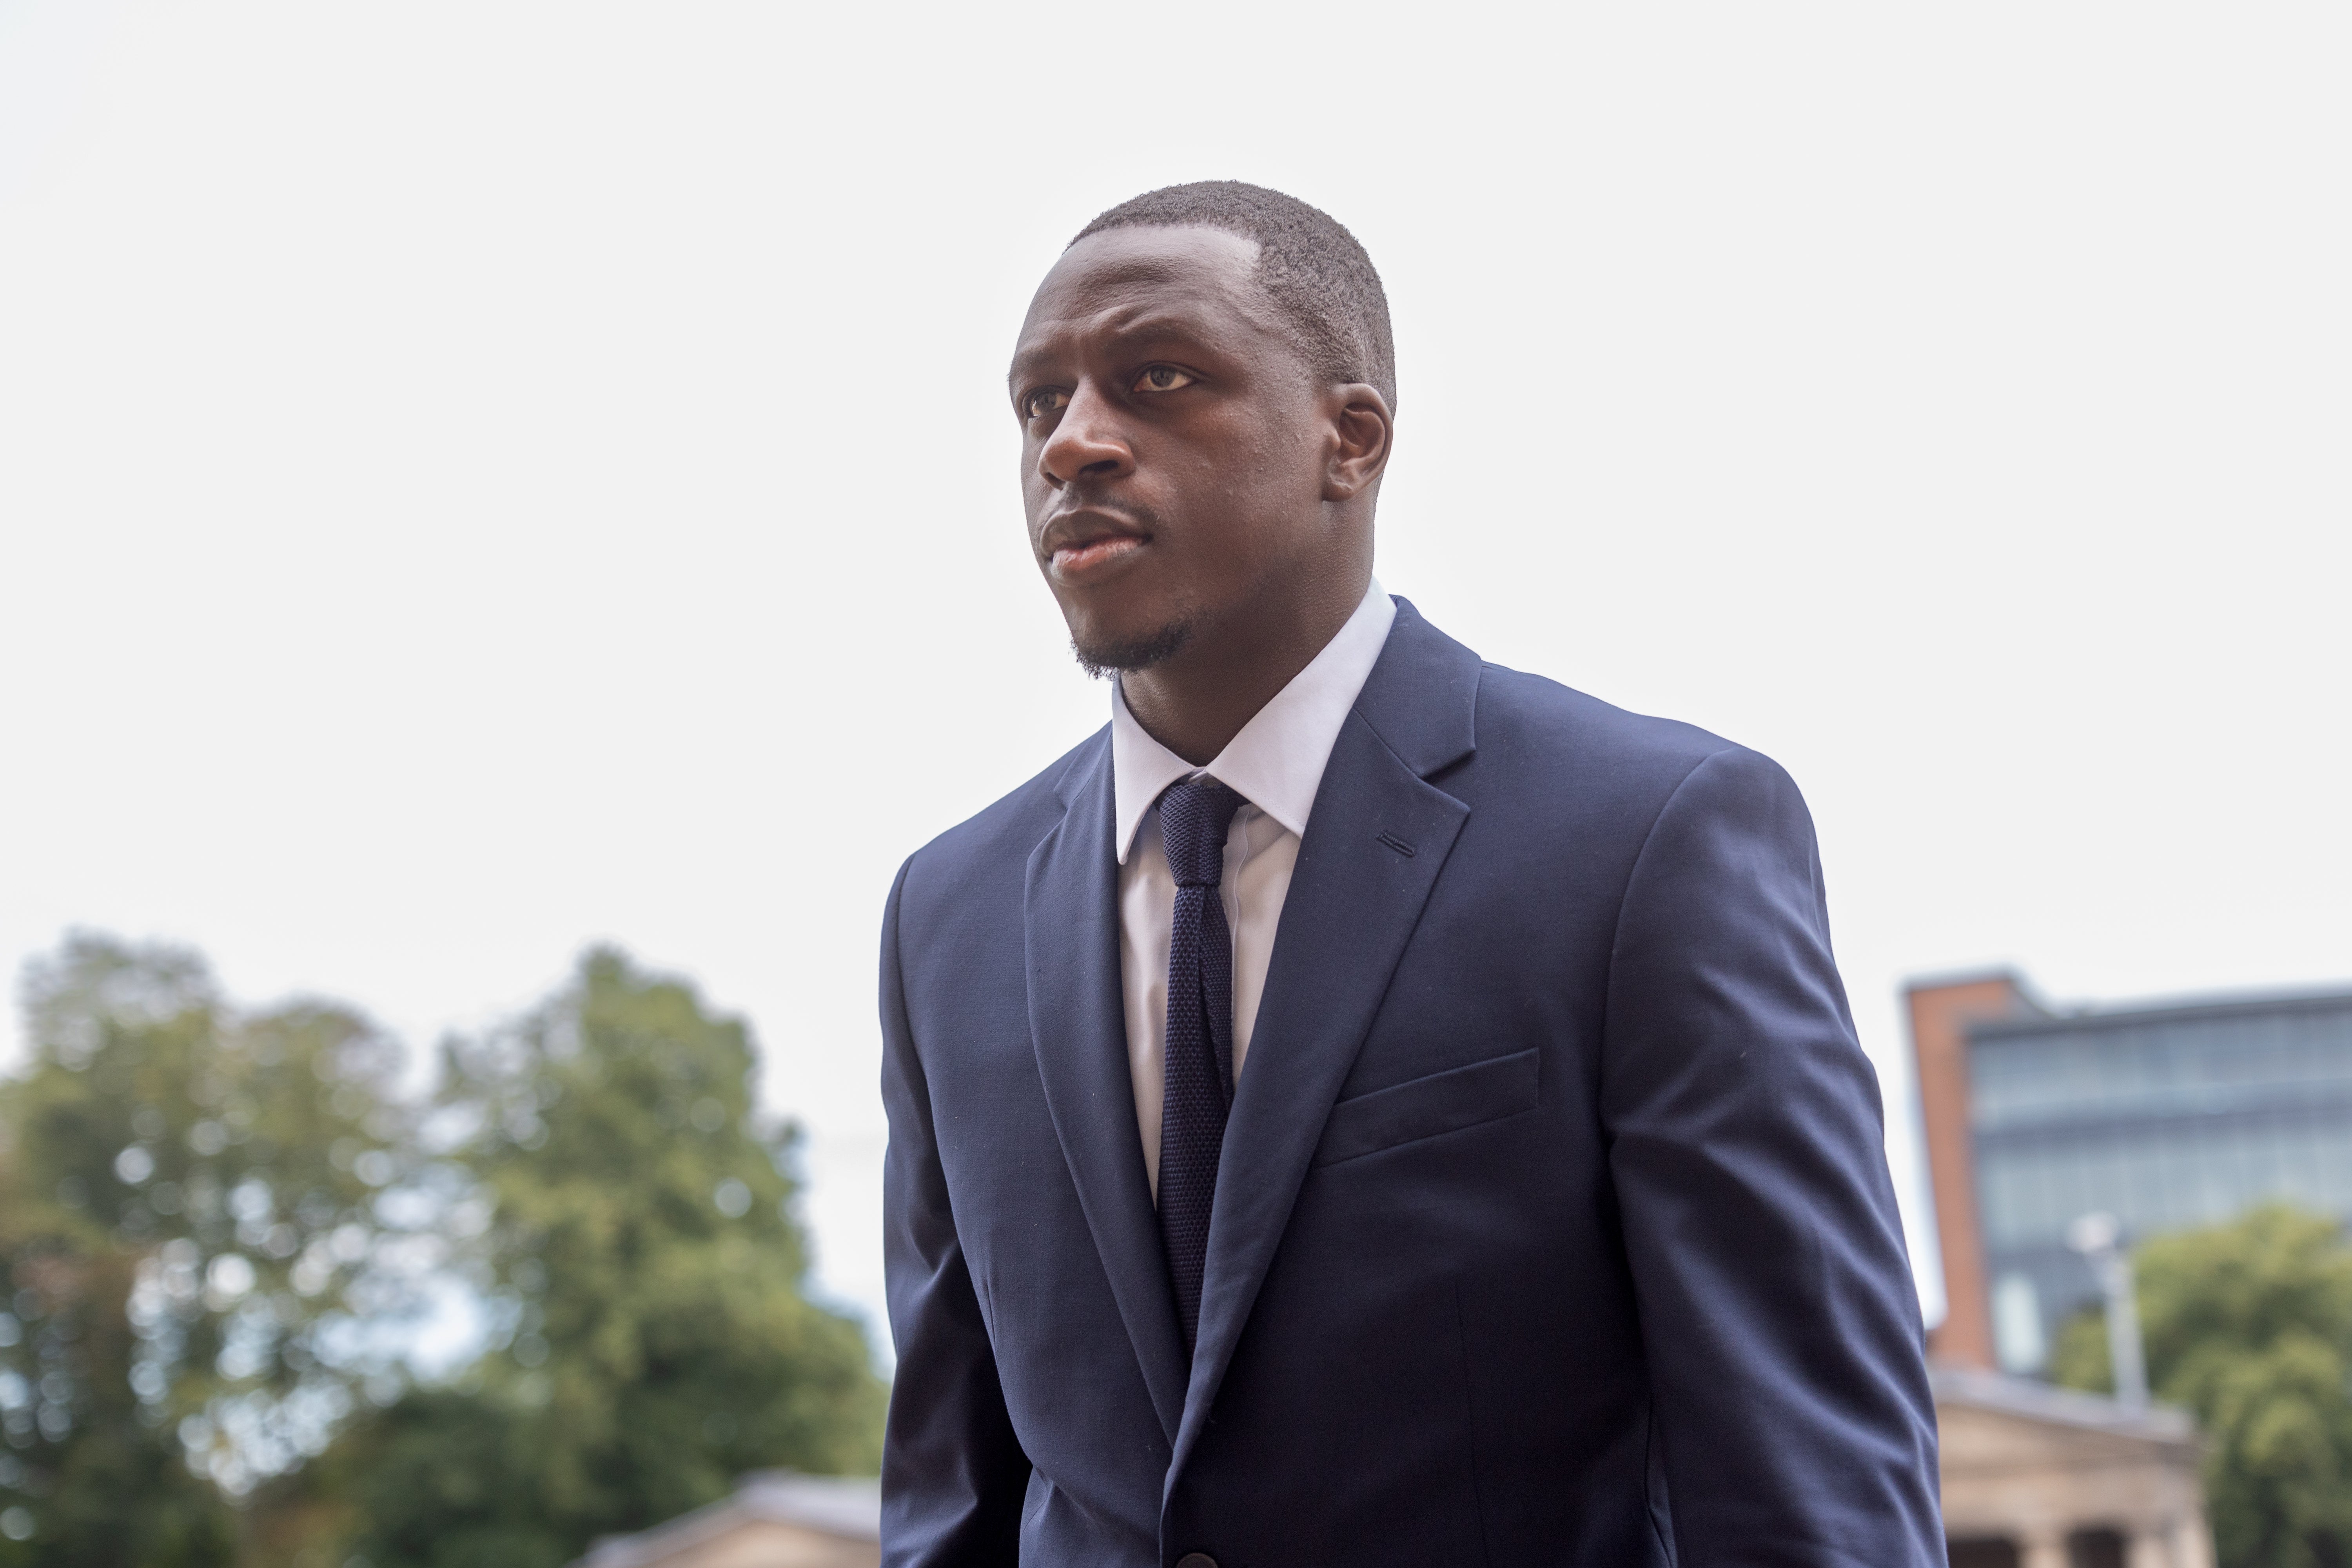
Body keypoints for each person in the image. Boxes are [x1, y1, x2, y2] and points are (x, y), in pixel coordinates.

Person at [878, 181, 1942, 1567]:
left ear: (1351, 439)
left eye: (1157, 378)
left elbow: (1813, 1499)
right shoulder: (944, 919)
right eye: (1038, 405)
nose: (1073, 443)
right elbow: (954, 1500)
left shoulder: (1647, 842)